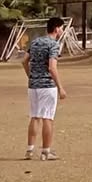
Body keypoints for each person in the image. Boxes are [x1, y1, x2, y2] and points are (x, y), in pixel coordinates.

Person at [25, 16, 68, 160]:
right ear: (56, 29)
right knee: (48, 118)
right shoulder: (53, 44)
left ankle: (30, 150)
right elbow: (52, 67)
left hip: (33, 86)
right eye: (61, 28)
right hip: (47, 86)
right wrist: (60, 87)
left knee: (35, 116)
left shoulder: (35, 42)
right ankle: (46, 151)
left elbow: (24, 61)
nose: (62, 31)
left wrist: (31, 76)